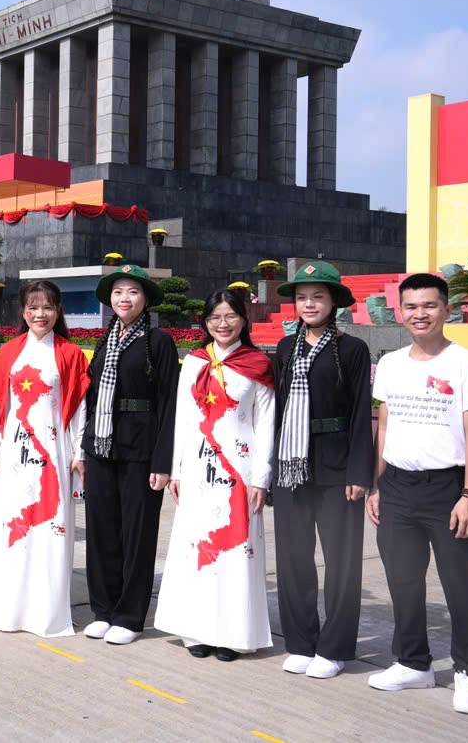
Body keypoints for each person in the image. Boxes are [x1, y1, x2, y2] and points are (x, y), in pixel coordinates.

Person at [366, 273, 468, 715]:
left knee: (461, 585)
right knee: (403, 581)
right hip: (397, 486)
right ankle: (412, 663)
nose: (419, 314)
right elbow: (385, 427)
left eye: (429, 305)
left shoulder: (464, 364)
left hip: (447, 489)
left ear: (446, 310)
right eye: (411, 306)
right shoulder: (390, 364)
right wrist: (377, 485)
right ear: (399, 312)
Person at [154, 291, 276, 662]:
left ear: (244, 319)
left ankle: (232, 634)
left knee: (235, 548)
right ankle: (196, 630)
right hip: (197, 467)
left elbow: (266, 423)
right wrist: (177, 470)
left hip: (239, 469)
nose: (222, 324)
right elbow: (183, 418)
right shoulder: (193, 362)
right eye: (215, 317)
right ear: (205, 322)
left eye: (230, 316)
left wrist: (262, 478)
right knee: (197, 546)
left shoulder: (257, 363)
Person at [0, 280, 89, 637]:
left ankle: (45, 613)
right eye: (33, 307)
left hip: (54, 455)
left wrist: (79, 452)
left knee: (50, 528)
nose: (40, 314)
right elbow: (1, 406)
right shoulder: (10, 352)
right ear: (23, 312)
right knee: (12, 526)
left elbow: (78, 408)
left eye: (48, 307)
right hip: (15, 454)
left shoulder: (70, 354)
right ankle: (6, 609)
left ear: (58, 311)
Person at [272, 262, 373, 679]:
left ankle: (335, 648)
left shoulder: (352, 349)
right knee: (293, 558)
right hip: (290, 467)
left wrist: (359, 472)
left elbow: (360, 412)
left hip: (336, 467)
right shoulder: (284, 348)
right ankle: (300, 642)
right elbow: (276, 411)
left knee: (341, 561)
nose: (309, 304)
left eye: (317, 297)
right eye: (302, 297)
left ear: (334, 302)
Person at [80, 264, 178, 645]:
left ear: (145, 299)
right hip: (101, 447)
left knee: (137, 534)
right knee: (102, 531)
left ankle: (129, 616)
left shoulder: (159, 342)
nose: (125, 298)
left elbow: (170, 404)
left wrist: (163, 461)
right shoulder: (105, 340)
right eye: (118, 292)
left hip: (140, 449)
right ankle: (103, 609)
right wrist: (85, 446)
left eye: (133, 292)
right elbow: (91, 398)